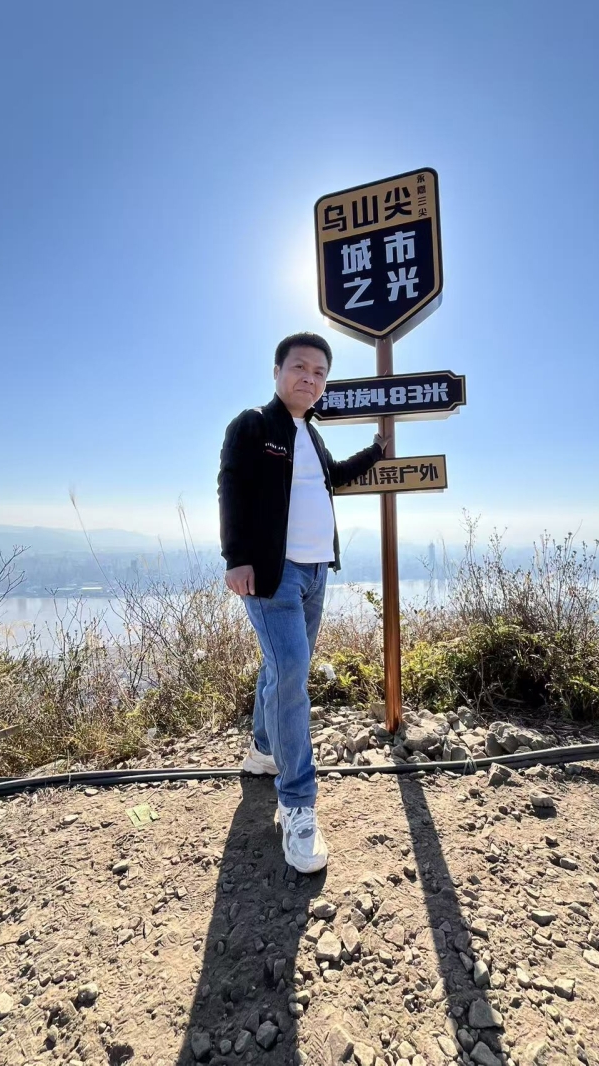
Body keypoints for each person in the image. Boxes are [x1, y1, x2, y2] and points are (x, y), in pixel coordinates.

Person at [217, 332, 388, 873]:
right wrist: (236, 558)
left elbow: (335, 477)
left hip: (316, 573)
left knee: (283, 667)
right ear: (277, 372)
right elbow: (231, 488)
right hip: (274, 573)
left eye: (319, 373)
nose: (309, 379)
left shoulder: (310, 435)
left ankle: (263, 751)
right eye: (299, 367)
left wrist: (376, 452)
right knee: (291, 671)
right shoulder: (254, 425)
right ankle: (297, 804)